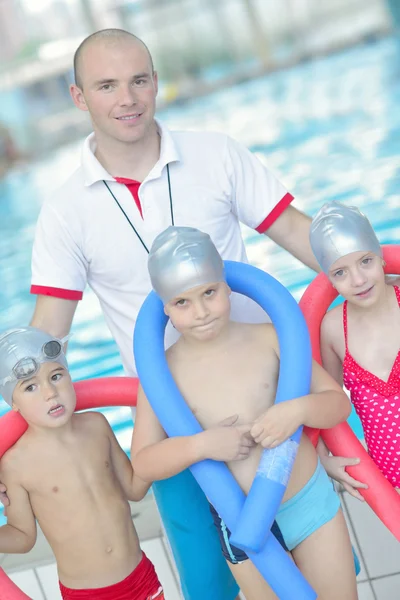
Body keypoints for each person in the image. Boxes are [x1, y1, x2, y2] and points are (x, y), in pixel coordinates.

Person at [0, 28, 320, 599]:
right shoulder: (65, 210)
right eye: (107, 85)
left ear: (155, 83)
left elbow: (297, 232)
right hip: (170, 418)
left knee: (309, 552)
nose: (128, 98)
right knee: (208, 582)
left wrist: (374, 268)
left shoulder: (216, 153)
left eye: (139, 80)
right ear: (79, 97)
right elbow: (49, 329)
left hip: (263, 391)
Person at [130, 225, 358, 600]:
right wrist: (201, 445)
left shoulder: (268, 338)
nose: (201, 312)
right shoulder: (160, 377)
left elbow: (337, 404)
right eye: (183, 303)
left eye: (209, 293)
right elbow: (144, 463)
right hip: (240, 521)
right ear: (164, 306)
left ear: (227, 284)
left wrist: (297, 409)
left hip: (307, 502)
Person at [0, 327, 164, 600]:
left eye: (56, 376)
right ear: (12, 402)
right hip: (88, 594)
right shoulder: (15, 464)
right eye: (30, 387)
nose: (50, 393)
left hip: (142, 578)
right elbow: (22, 536)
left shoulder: (97, 426)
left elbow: (135, 489)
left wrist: (154, 418)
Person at [310, 201, 400, 497]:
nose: (358, 280)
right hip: (391, 484)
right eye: (340, 272)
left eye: (365, 262)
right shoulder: (333, 329)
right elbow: (326, 401)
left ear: (382, 257)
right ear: (329, 280)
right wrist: (325, 457)